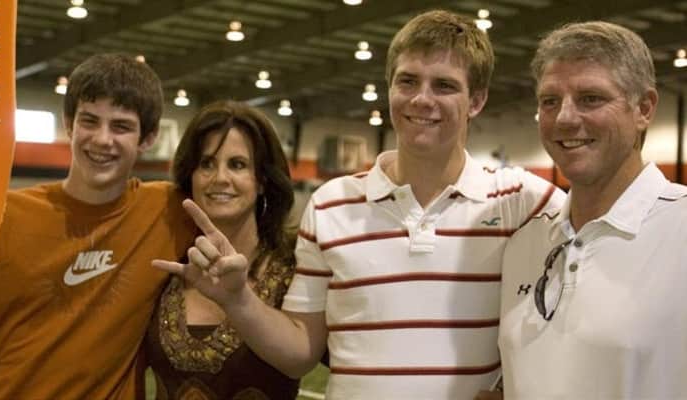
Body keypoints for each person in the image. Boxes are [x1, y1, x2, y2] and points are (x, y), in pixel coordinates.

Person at [156, 9, 565, 399]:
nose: (421, 99)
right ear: (390, 89)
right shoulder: (331, 205)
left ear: (476, 100)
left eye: (444, 85)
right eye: (407, 81)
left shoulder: (523, 202)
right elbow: (300, 353)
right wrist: (239, 300)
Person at [0, 53, 195, 399]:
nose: (102, 139)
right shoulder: (2, 216)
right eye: (90, 121)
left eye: (121, 126)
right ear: (69, 124)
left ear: (148, 137)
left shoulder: (170, 212)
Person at [498, 21, 687, 399]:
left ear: (644, 109)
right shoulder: (525, 243)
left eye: (590, 98)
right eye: (550, 101)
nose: (565, 118)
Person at [143, 101, 300, 399]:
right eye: (206, 164)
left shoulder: (294, 271)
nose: (220, 178)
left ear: (263, 180)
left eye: (237, 164)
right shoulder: (167, 265)